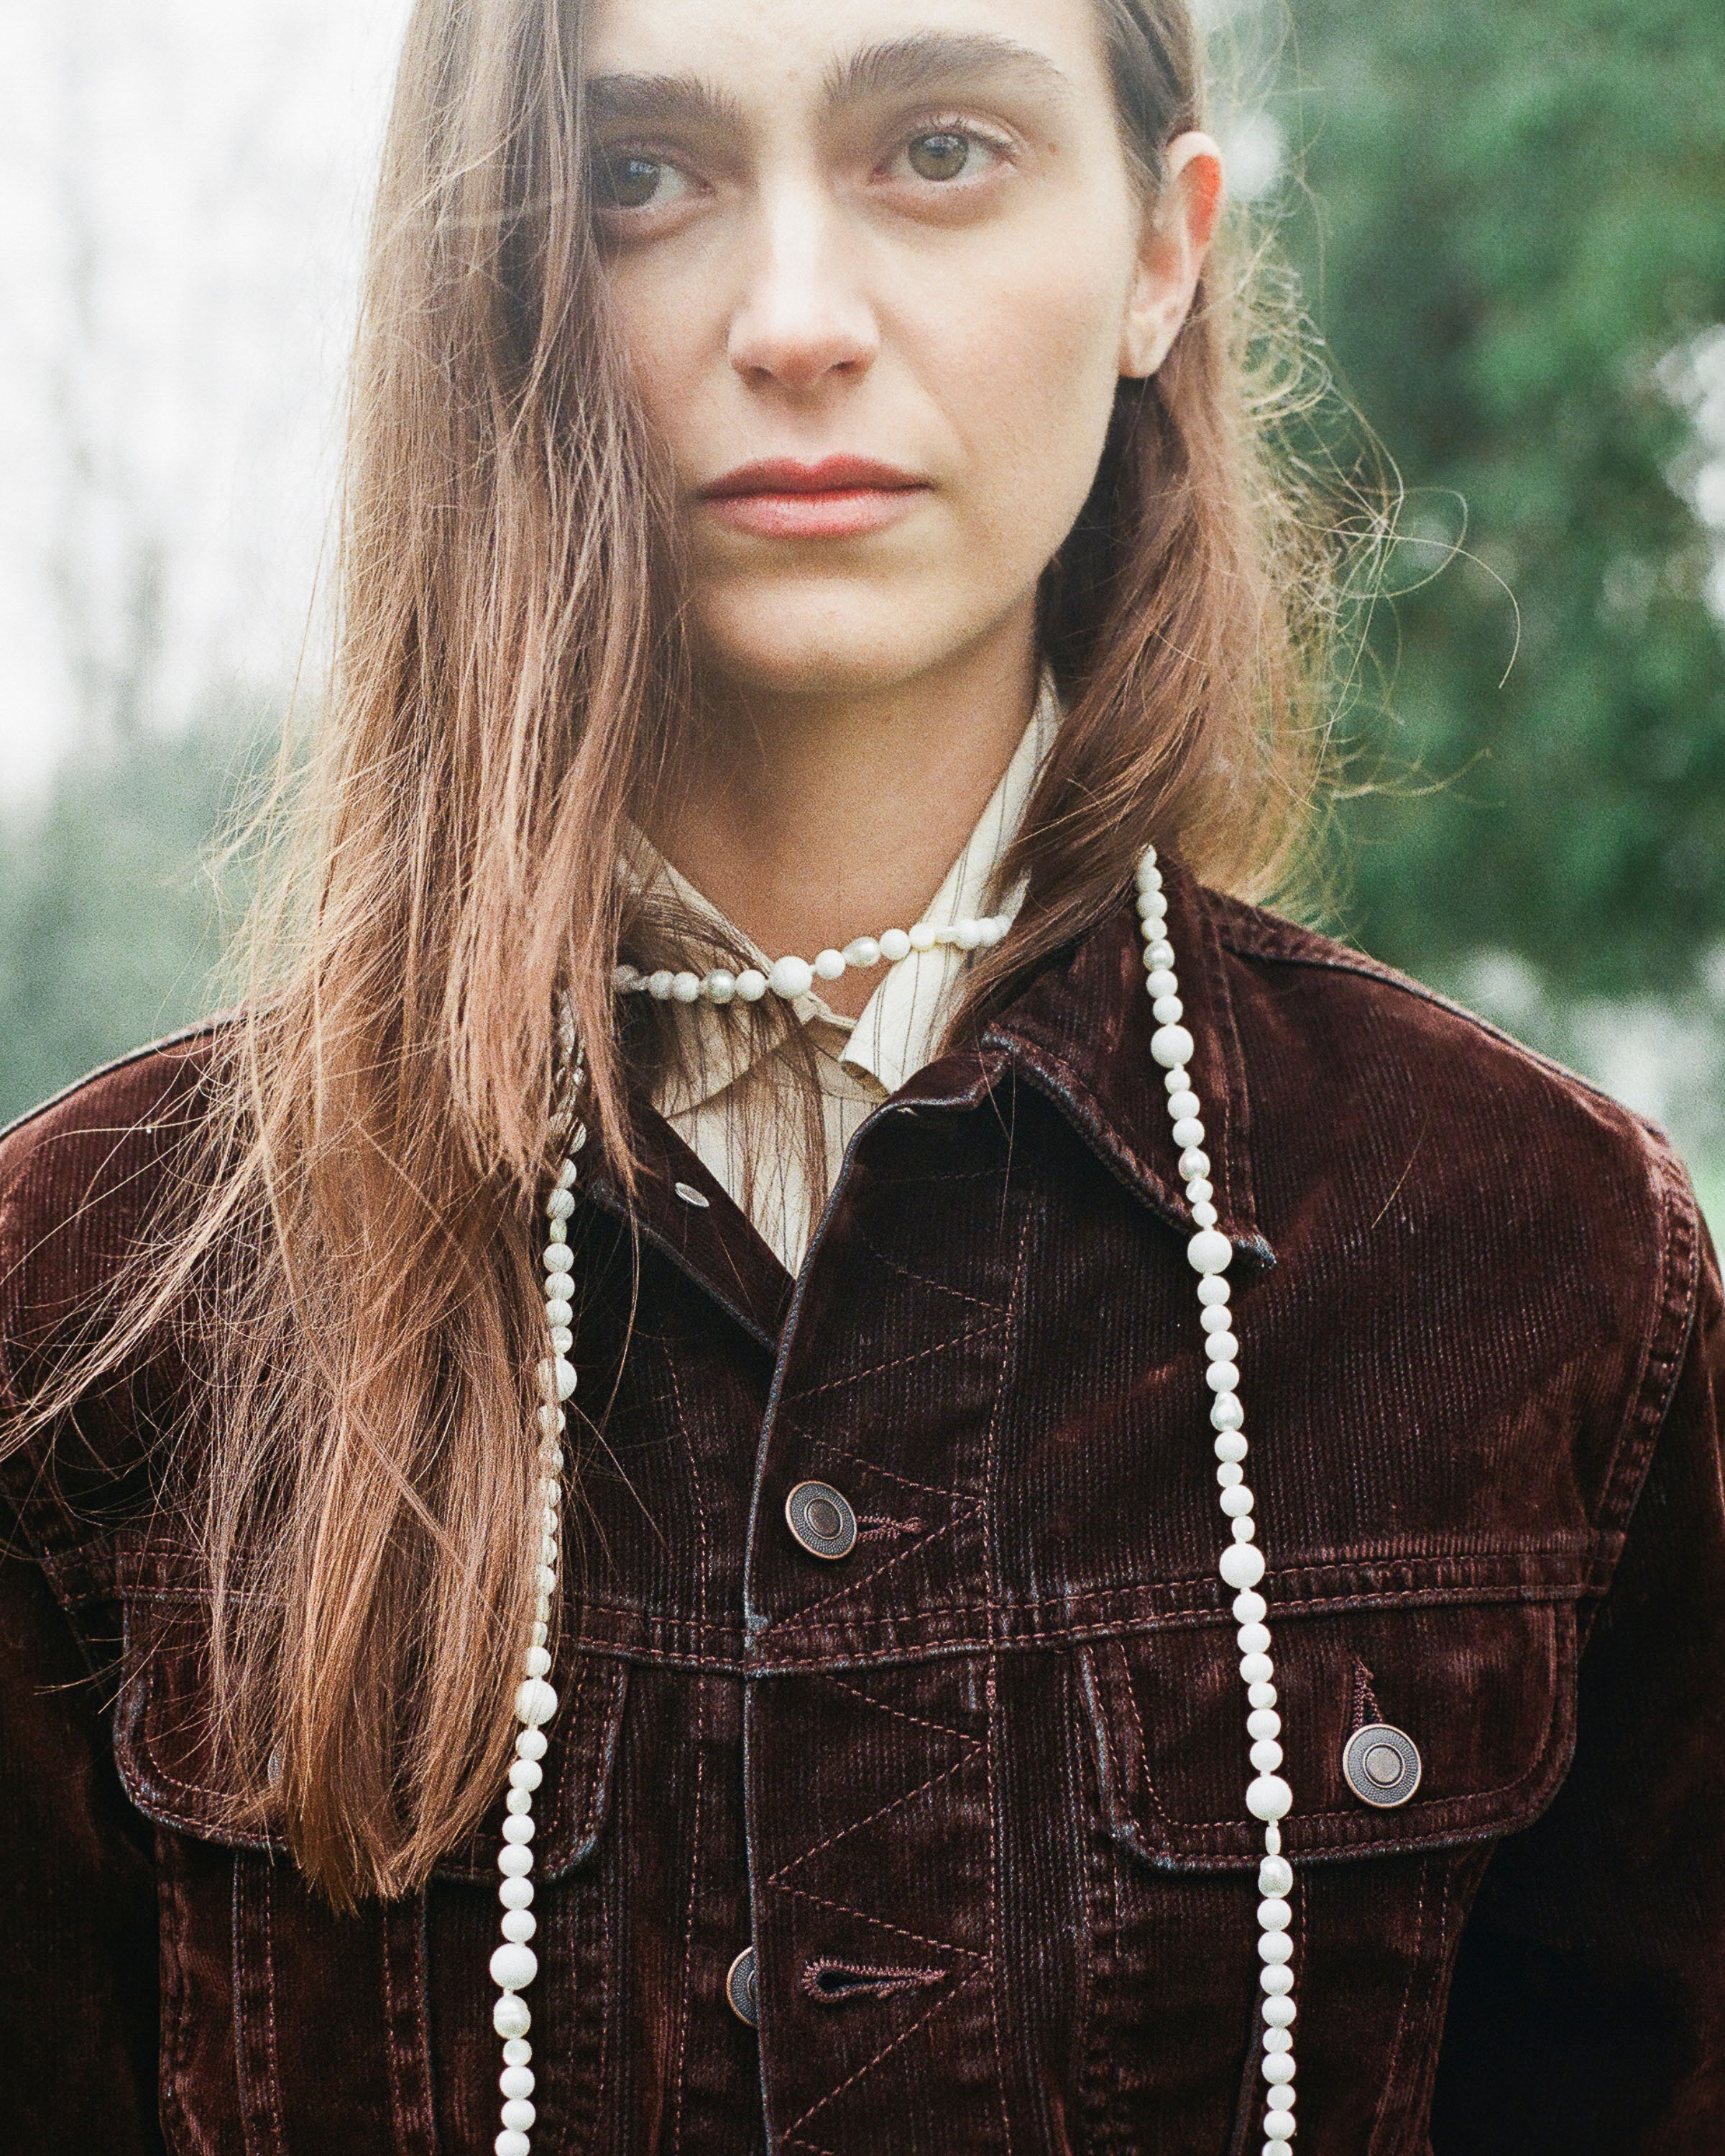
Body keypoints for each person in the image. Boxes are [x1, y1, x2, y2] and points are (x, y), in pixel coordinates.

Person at [1, 0, 1721, 2150]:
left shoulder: (1546, 1259)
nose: (797, 320)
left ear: (1163, 251)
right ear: (486, 278)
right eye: (641, 180)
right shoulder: (88, 1301)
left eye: (939, 152)